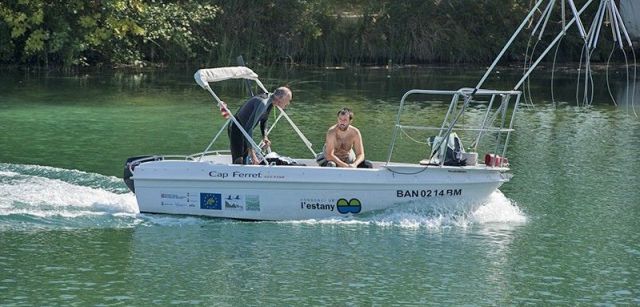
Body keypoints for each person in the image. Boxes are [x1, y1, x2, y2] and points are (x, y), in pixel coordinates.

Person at [228, 86, 292, 164]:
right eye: (288, 100)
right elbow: (248, 128)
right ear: (280, 98)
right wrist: (252, 153)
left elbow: (264, 120)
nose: (288, 103)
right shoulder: (263, 102)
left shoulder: (271, 101)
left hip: (245, 131)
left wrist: (265, 136)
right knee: (239, 161)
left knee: (245, 161)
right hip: (237, 128)